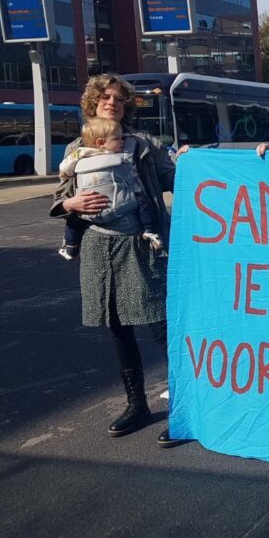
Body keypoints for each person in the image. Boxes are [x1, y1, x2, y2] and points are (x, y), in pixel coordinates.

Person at [50, 74, 186, 448]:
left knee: (160, 325)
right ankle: (137, 404)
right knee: (117, 327)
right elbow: (62, 194)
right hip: (97, 246)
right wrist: (69, 204)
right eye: (106, 97)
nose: (112, 103)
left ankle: (185, 408)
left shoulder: (143, 144)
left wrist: (191, 161)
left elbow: (176, 178)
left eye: (119, 99)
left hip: (141, 244)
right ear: (92, 103)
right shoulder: (76, 148)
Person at [56, 117, 164, 261]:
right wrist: (65, 174)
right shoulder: (82, 152)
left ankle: (149, 229)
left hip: (122, 207)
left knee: (142, 201)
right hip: (91, 203)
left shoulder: (128, 149)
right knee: (74, 219)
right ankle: (71, 245)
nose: (122, 141)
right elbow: (66, 166)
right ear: (100, 143)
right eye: (117, 139)